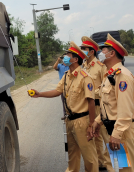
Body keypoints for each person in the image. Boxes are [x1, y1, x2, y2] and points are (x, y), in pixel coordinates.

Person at [30, 42, 98, 172]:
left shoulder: (85, 77)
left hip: (82, 122)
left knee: (89, 158)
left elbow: (91, 102)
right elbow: (57, 91)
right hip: (70, 121)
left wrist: (91, 125)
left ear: (75, 59)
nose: (65, 57)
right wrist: (40, 94)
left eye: (68, 55)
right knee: (72, 157)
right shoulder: (67, 75)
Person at [91, 34, 134, 172]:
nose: (100, 53)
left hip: (123, 132)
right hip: (113, 129)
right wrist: (97, 121)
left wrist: (117, 134)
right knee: (112, 167)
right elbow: (109, 105)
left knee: (125, 170)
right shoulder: (110, 75)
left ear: (112, 53)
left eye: (103, 50)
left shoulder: (121, 76)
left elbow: (125, 110)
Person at [80, 36, 112, 171]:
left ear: (91, 51)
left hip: (101, 106)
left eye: (84, 49)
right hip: (89, 107)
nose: (82, 51)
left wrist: (94, 94)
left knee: (108, 137)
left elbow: (107, 86)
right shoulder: (84, 66)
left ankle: (119, 165)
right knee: (96, 137)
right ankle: (101, 163)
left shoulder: (100, 67)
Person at [53, 53, 69, 118]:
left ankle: (71, 112)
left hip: (69, 85)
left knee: (70, 99)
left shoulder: (69, 66)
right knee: (64, 100)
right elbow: (54, 67)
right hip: (62, 86)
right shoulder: (60, 65)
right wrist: (57, 61)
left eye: (66, 58)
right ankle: (65, 114)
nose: (65, 59)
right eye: (64, 58)